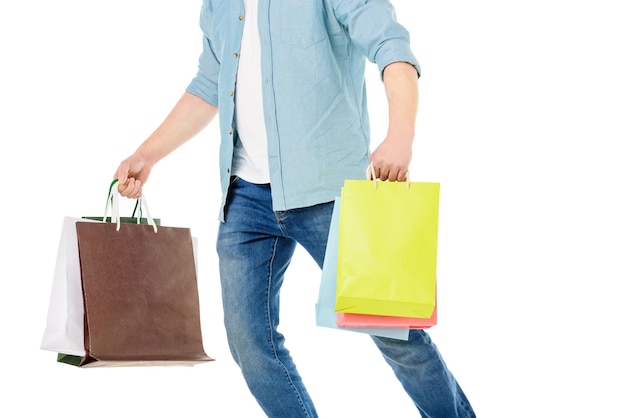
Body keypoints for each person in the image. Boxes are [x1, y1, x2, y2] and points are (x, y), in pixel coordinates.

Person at [114, 1, 475, 416]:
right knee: (250, 345)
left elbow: (391, 47)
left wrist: (400, 138)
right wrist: (148, 154)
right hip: (245, 197)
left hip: (330, 193)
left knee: (397, 335)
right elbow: (210, 82)